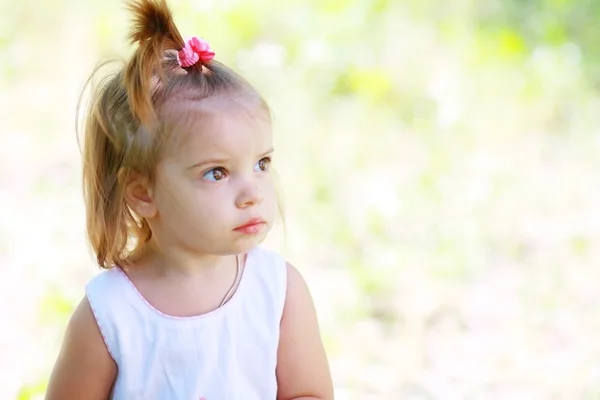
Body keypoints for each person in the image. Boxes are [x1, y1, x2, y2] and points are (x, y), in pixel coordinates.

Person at [45, 0, 333, 398]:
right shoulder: (110, 315)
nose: (253, 194)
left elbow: (310, 393)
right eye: (216, 172)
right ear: (143, 193)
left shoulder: (278, 290)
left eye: (262, 163)